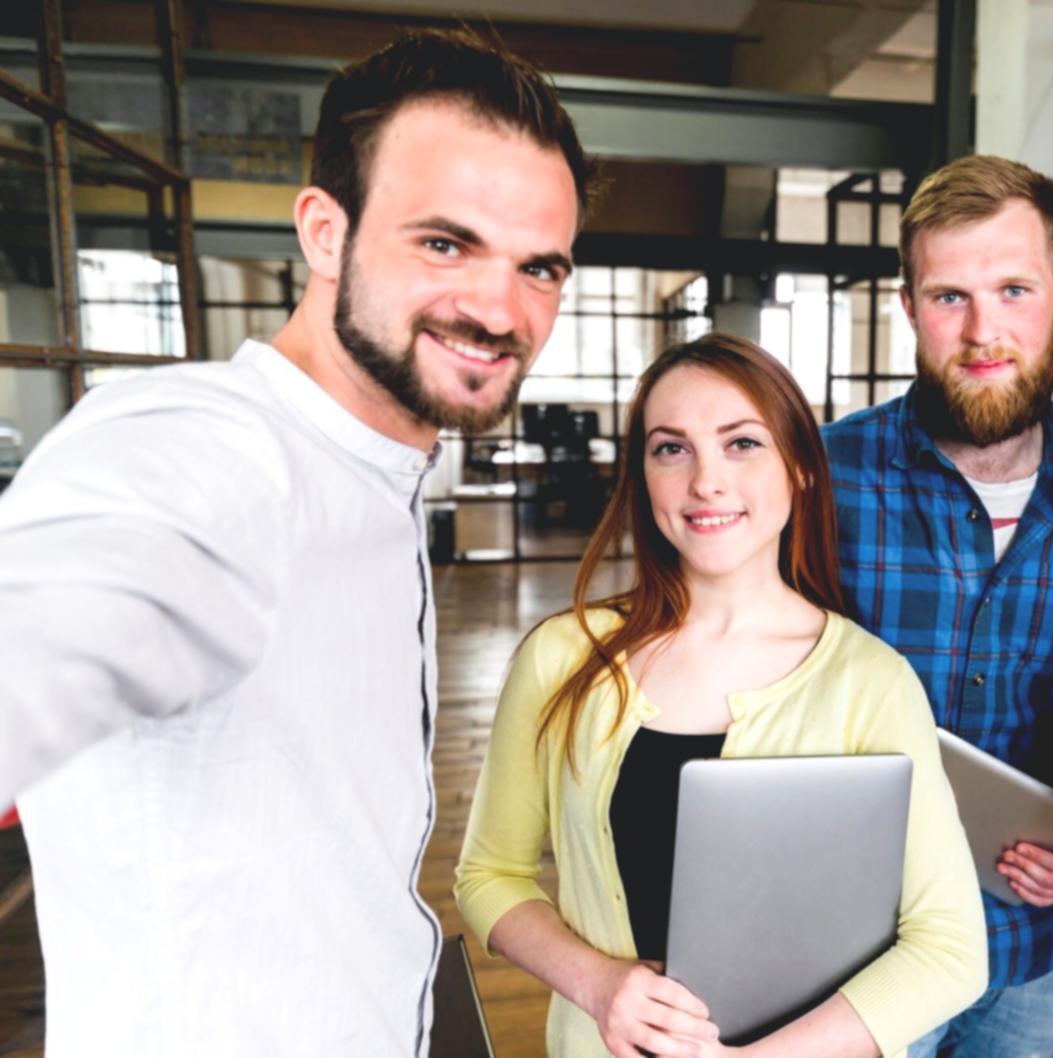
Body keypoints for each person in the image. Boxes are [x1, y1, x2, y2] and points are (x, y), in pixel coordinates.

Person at [0, 30, 592, 1057]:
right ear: (325, 232)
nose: (500, 308)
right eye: (445, 243)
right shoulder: (208, 452)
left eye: (538, 266)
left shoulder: (376, 462)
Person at [455, 334, 987, 1058]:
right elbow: (489, 875)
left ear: (799, 467)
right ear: (642, 474)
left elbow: (950, 948)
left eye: (741, 443)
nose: (705, 481)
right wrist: (599, 985)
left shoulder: (872, 681)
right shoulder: (562, 656)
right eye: (670, 448)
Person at [822, 153, 1053, 1056]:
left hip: (1029, 945)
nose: (983, 331)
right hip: (855, 952)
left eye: (1014, 289)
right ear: (907, 308)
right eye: (949, 297)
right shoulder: (819, 475)